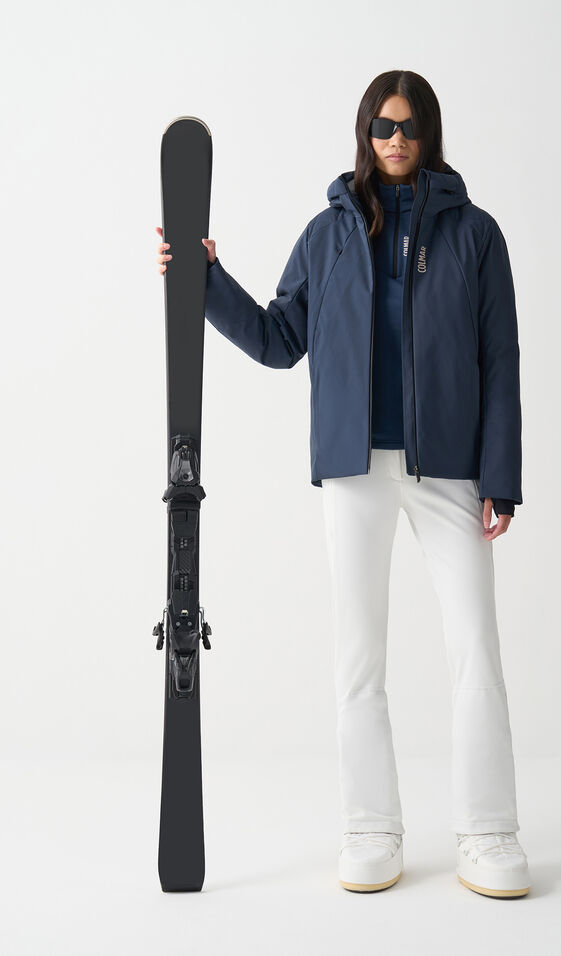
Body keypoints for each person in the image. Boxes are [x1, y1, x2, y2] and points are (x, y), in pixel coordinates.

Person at [155, 69, 530, 899]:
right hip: (354, 468)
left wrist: (499, 476)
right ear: (364, 133)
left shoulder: (475, 234)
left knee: (474, 650)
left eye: (408, 126)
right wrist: (205, 280)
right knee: (358, 658)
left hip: (451, 469)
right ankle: (370, 828)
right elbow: (277, 339)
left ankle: (488, 832)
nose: (394, 140)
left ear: (428, 133)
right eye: (381, 126)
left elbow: (499, 360)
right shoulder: (326, 235)